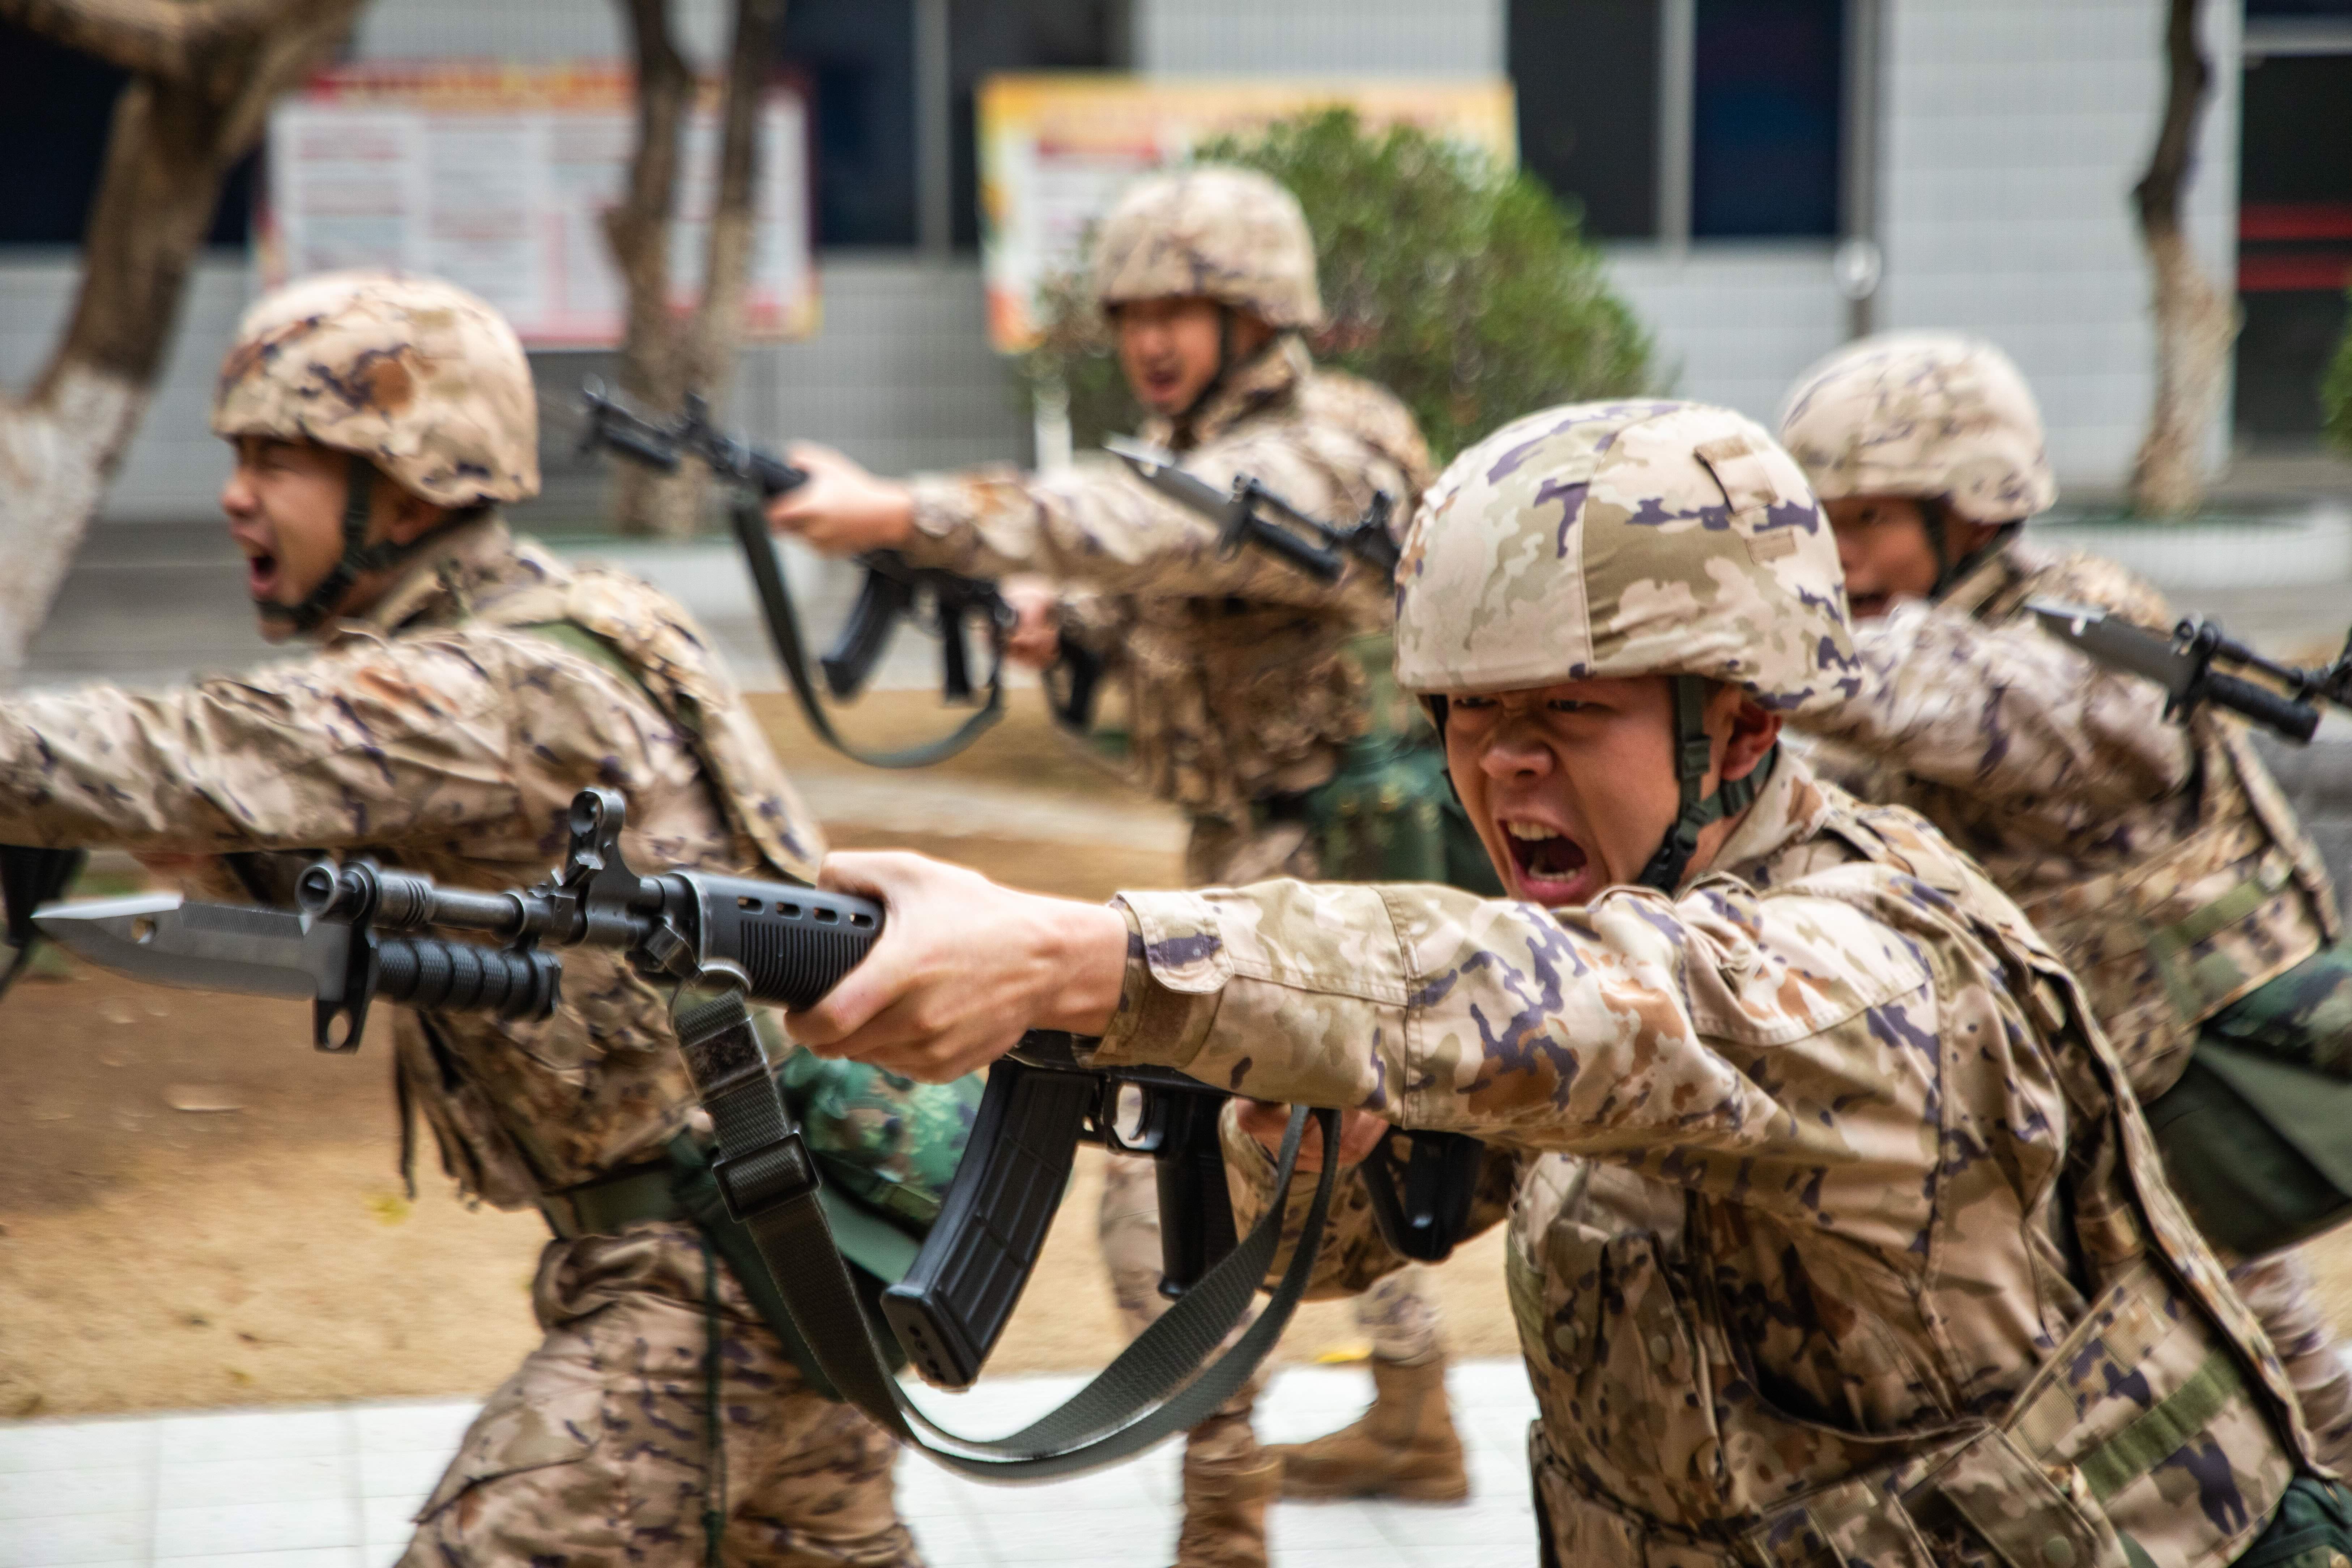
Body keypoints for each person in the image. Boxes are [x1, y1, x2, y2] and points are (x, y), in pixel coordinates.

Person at [780, 398, 2352, 1567]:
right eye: (1465, 711)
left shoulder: (1869, 966)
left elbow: (1594, 998)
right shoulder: (1617, 915)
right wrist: (1297, 1137)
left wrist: (1080, 955)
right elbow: (1339, 1235)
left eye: (1568, 714)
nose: (1501, 763)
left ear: (1738, 728)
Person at [0, 272, 939, 1567]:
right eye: (240, 455)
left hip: (707, 1280)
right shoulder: (577, 621)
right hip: (800, 1251)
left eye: (281, 458)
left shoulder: (491, 685)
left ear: (410, 484)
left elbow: (190, 744)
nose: (236, 494)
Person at [766, 166, 1482, 1553]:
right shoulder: (1208, 455)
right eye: (1134, 309)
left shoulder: (1326, 450)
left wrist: (901, 515)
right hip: (1253, 851)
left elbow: (1181, 522)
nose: (1152, 337)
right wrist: (1078, 640)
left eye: (1186, 307)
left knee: (1164, 1179)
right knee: (1327, 1156)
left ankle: (1224, 1519)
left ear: (1259, 313)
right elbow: (1191, 610)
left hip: (1333, 864)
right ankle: (1411, 1414)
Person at [1778, 331, 2352, 1471]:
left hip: (2191, 1088)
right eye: (1821, 528)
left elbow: (1990, 707)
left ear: (1976, 511)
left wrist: (1756, 647)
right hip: (2085, 1118)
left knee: (2275, 1401)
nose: (1840, 561)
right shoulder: (1898, 654)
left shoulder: (2074, 613)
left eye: (1869, 523)